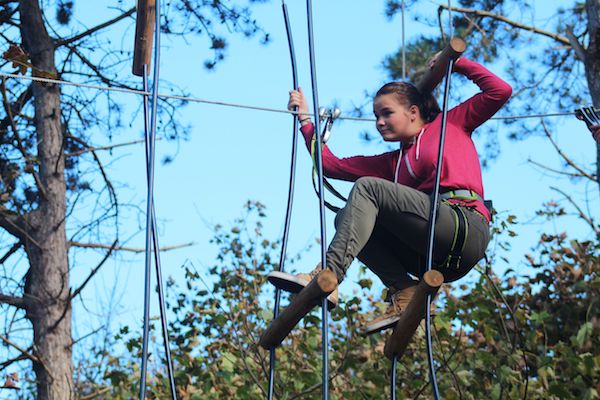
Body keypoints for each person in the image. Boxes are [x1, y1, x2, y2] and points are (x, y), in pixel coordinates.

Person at [268, 56, 512, 335]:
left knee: (368, 188)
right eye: (376, 117)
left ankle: (328, 274)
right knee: (347, 217)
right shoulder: (391, 163)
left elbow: (499, 91)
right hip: (431, 258)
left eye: (386, 113)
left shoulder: (450, 125)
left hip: (464, 225)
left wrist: (455, 63)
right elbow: (330, 165)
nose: (380, 122)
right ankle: (404, 290)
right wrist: (305, 121)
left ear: (412, 111)